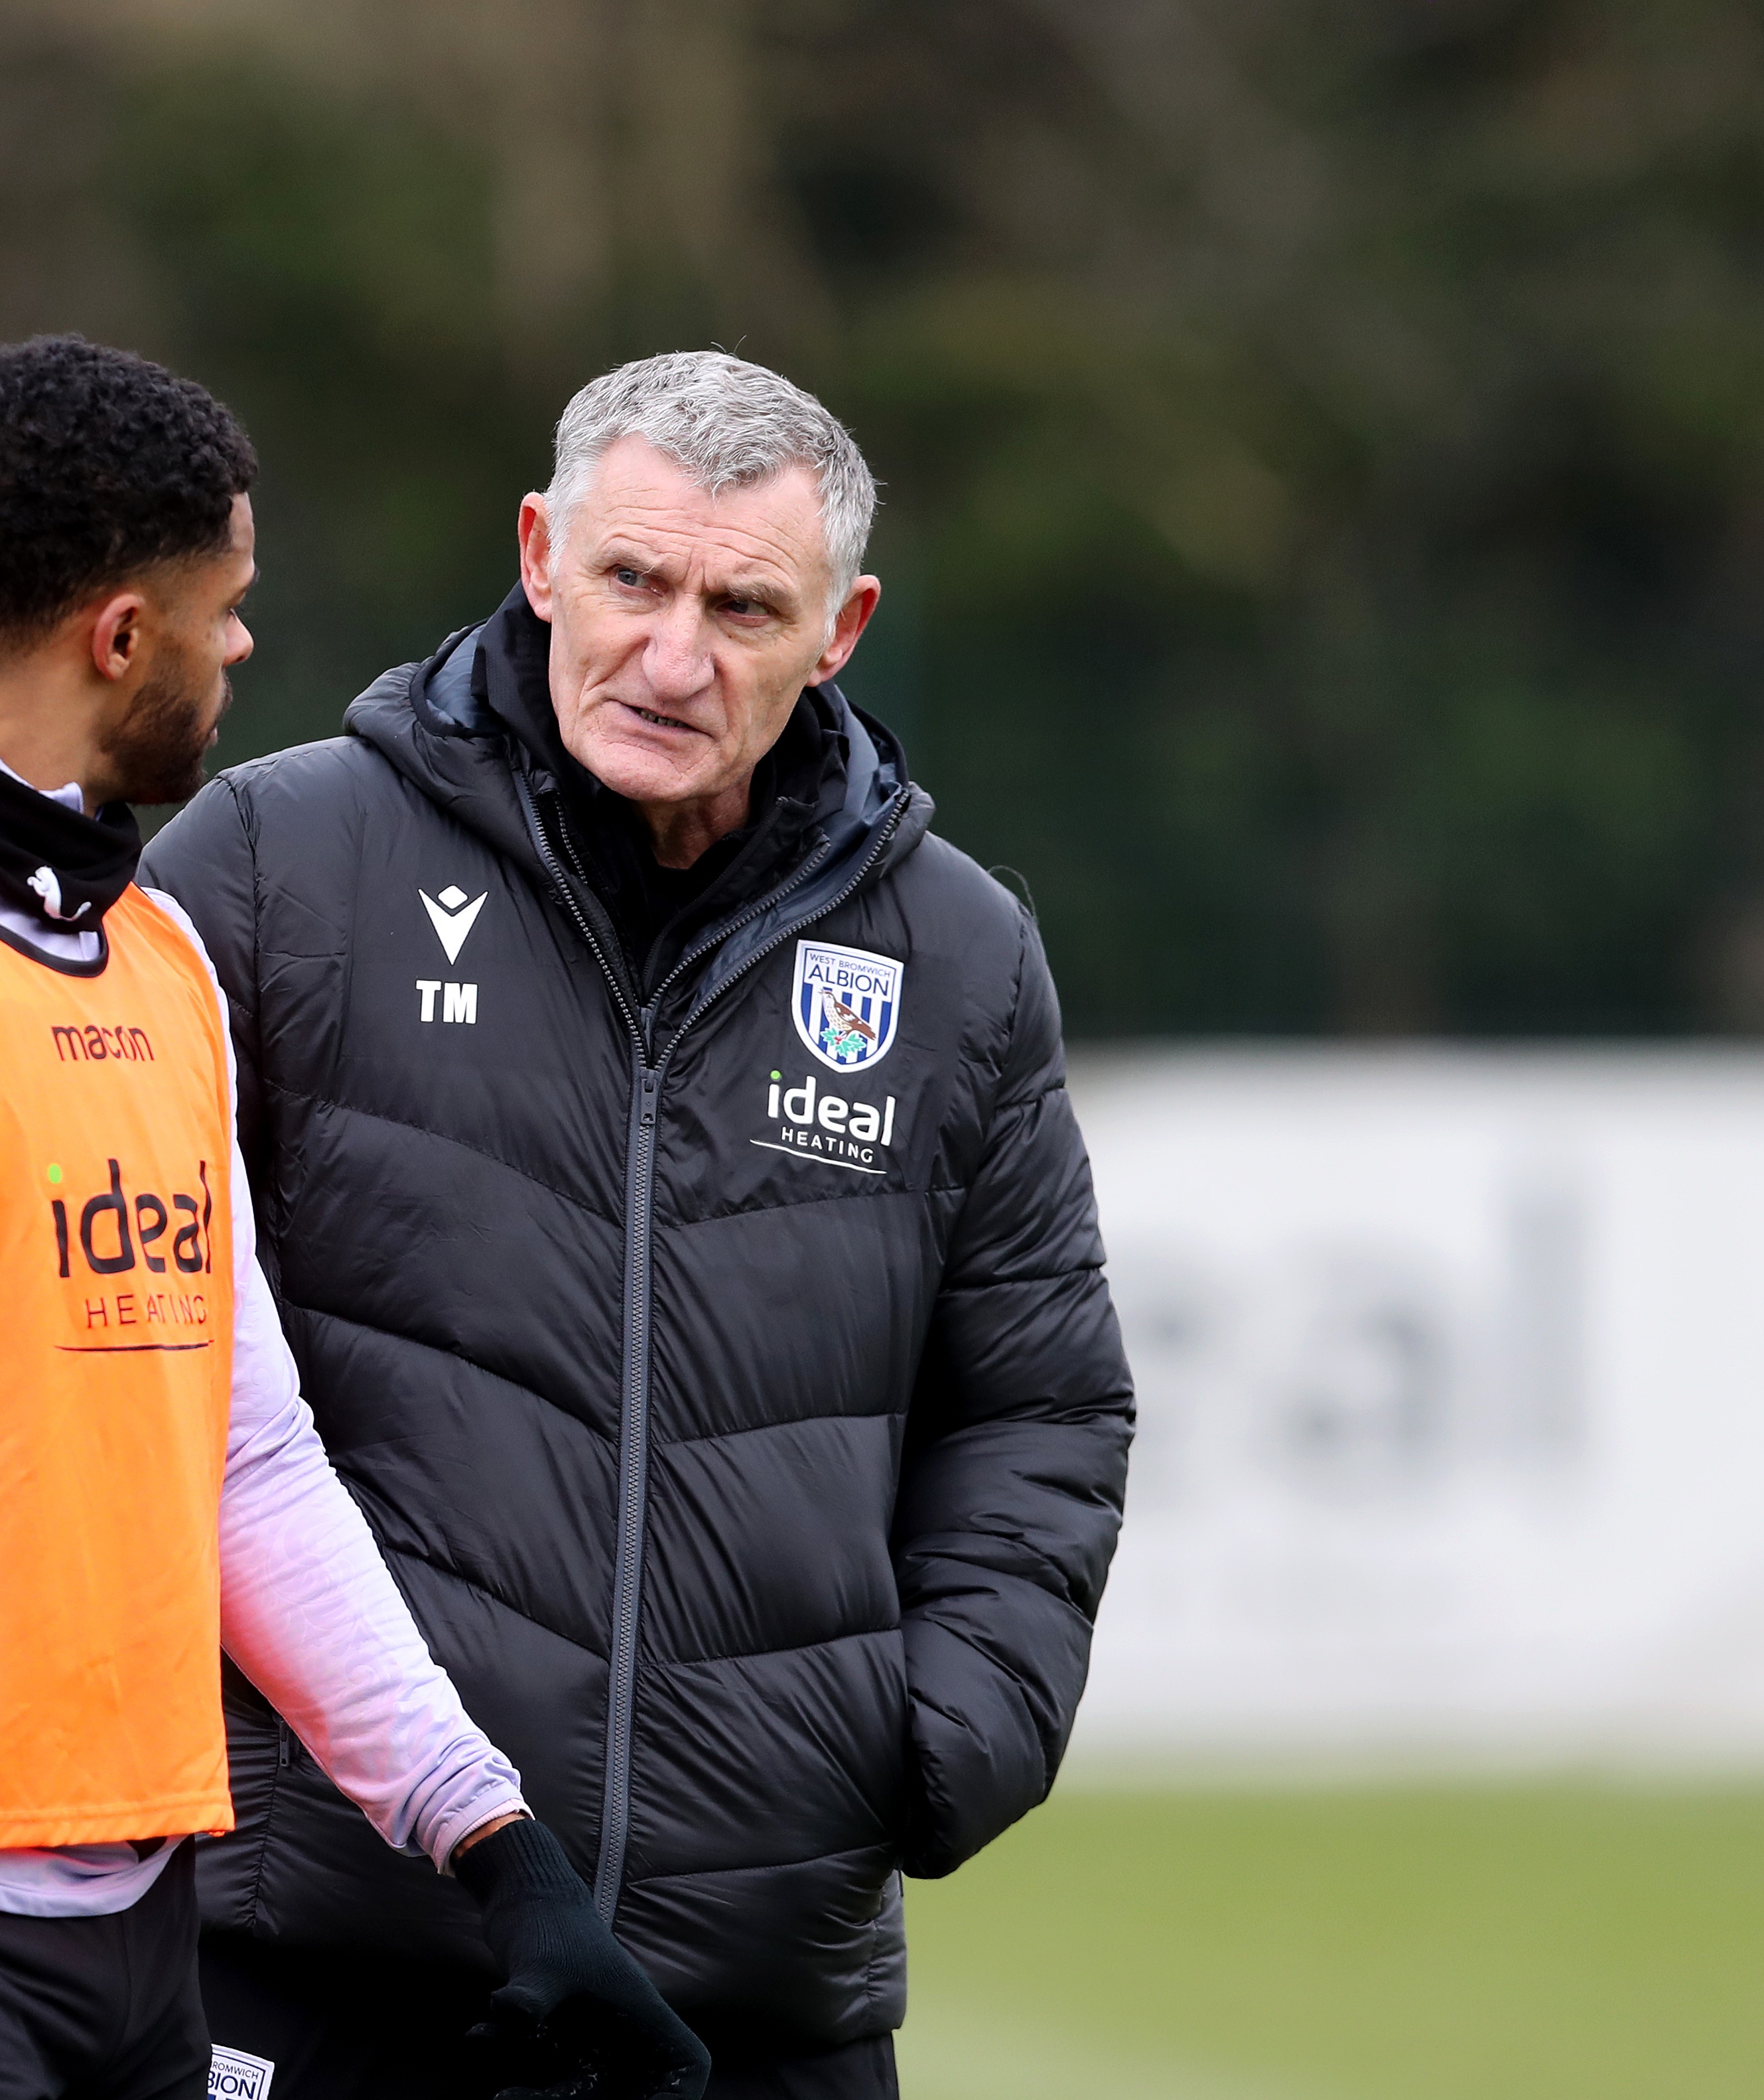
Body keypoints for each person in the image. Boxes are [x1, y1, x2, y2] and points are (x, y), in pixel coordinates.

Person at [0, 335, 707, 2100]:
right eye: (220, 607)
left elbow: (243, 1460)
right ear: (118, 636)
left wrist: (496, 1848)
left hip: (138, 1918)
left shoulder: (152, 950)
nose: (240, 645)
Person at [138, 350, 1136, 2099]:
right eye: (632, 582)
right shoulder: (276, 865)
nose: (673, 659)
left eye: (743, 607)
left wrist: (928, 1743)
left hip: (754, 1994)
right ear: (538, 554)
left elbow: (1038, 1403)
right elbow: (114, 1329)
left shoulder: (954, 959)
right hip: (323, 1953)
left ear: (840, 632)